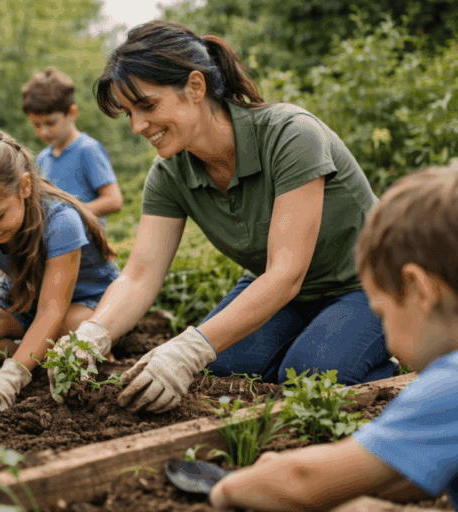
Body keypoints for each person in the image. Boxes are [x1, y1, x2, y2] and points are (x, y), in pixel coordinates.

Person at [50, 20, 397, 413]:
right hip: (286, 294)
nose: (138, 126)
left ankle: (392, 356)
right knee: (219, 371)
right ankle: (318, 341)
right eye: (129, 113)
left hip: (368, 282)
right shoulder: (169, 174)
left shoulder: (291, 136)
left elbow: (286, 273)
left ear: (195, 87)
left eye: (147, 106)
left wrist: (189, 347)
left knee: (311, 376)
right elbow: (140, 275)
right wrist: (93, 333)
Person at [209, 161, 458, 511]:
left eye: (381, 312)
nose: (387, 339)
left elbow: (302, 482)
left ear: (418, 291)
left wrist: (226, 488)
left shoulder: (449, 386)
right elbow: (409, 474)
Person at [0, 126, 120, 416]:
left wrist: (13, 376)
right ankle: (39, 357)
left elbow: (51, 310)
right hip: (25, 291)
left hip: (83, 300)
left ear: (24, 186)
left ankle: (39, 357)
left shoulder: (61, 221)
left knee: (70, 332)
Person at [23, 68, 123, 223]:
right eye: (36, 124)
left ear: (72, 113)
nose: (43, 131)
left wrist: (67, 215)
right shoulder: (43, 158)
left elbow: (114, 200)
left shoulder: (88, 149)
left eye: (51, 123)